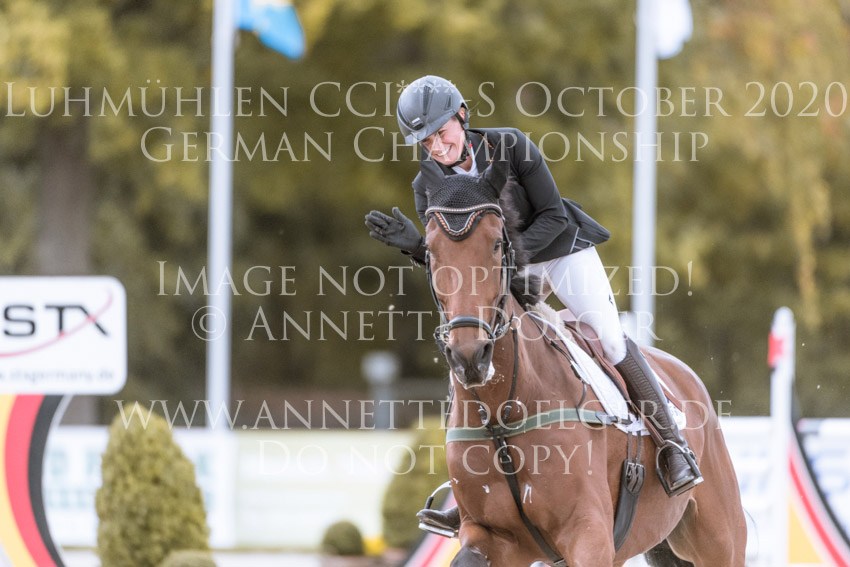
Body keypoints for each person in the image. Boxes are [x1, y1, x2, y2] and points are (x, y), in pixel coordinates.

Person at [365, 75, 702, 534]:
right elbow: (451, 263)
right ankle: (465, 491)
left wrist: (504, 257)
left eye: (441, 133)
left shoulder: (510, 146)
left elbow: (553, 216)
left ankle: (672, 443)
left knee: (607, 337)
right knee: (470, 350)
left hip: (557, 251)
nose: (438, 147)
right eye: (426, 142)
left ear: (461, 116)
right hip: (498, 271)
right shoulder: (427, 184)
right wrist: (417, 248)